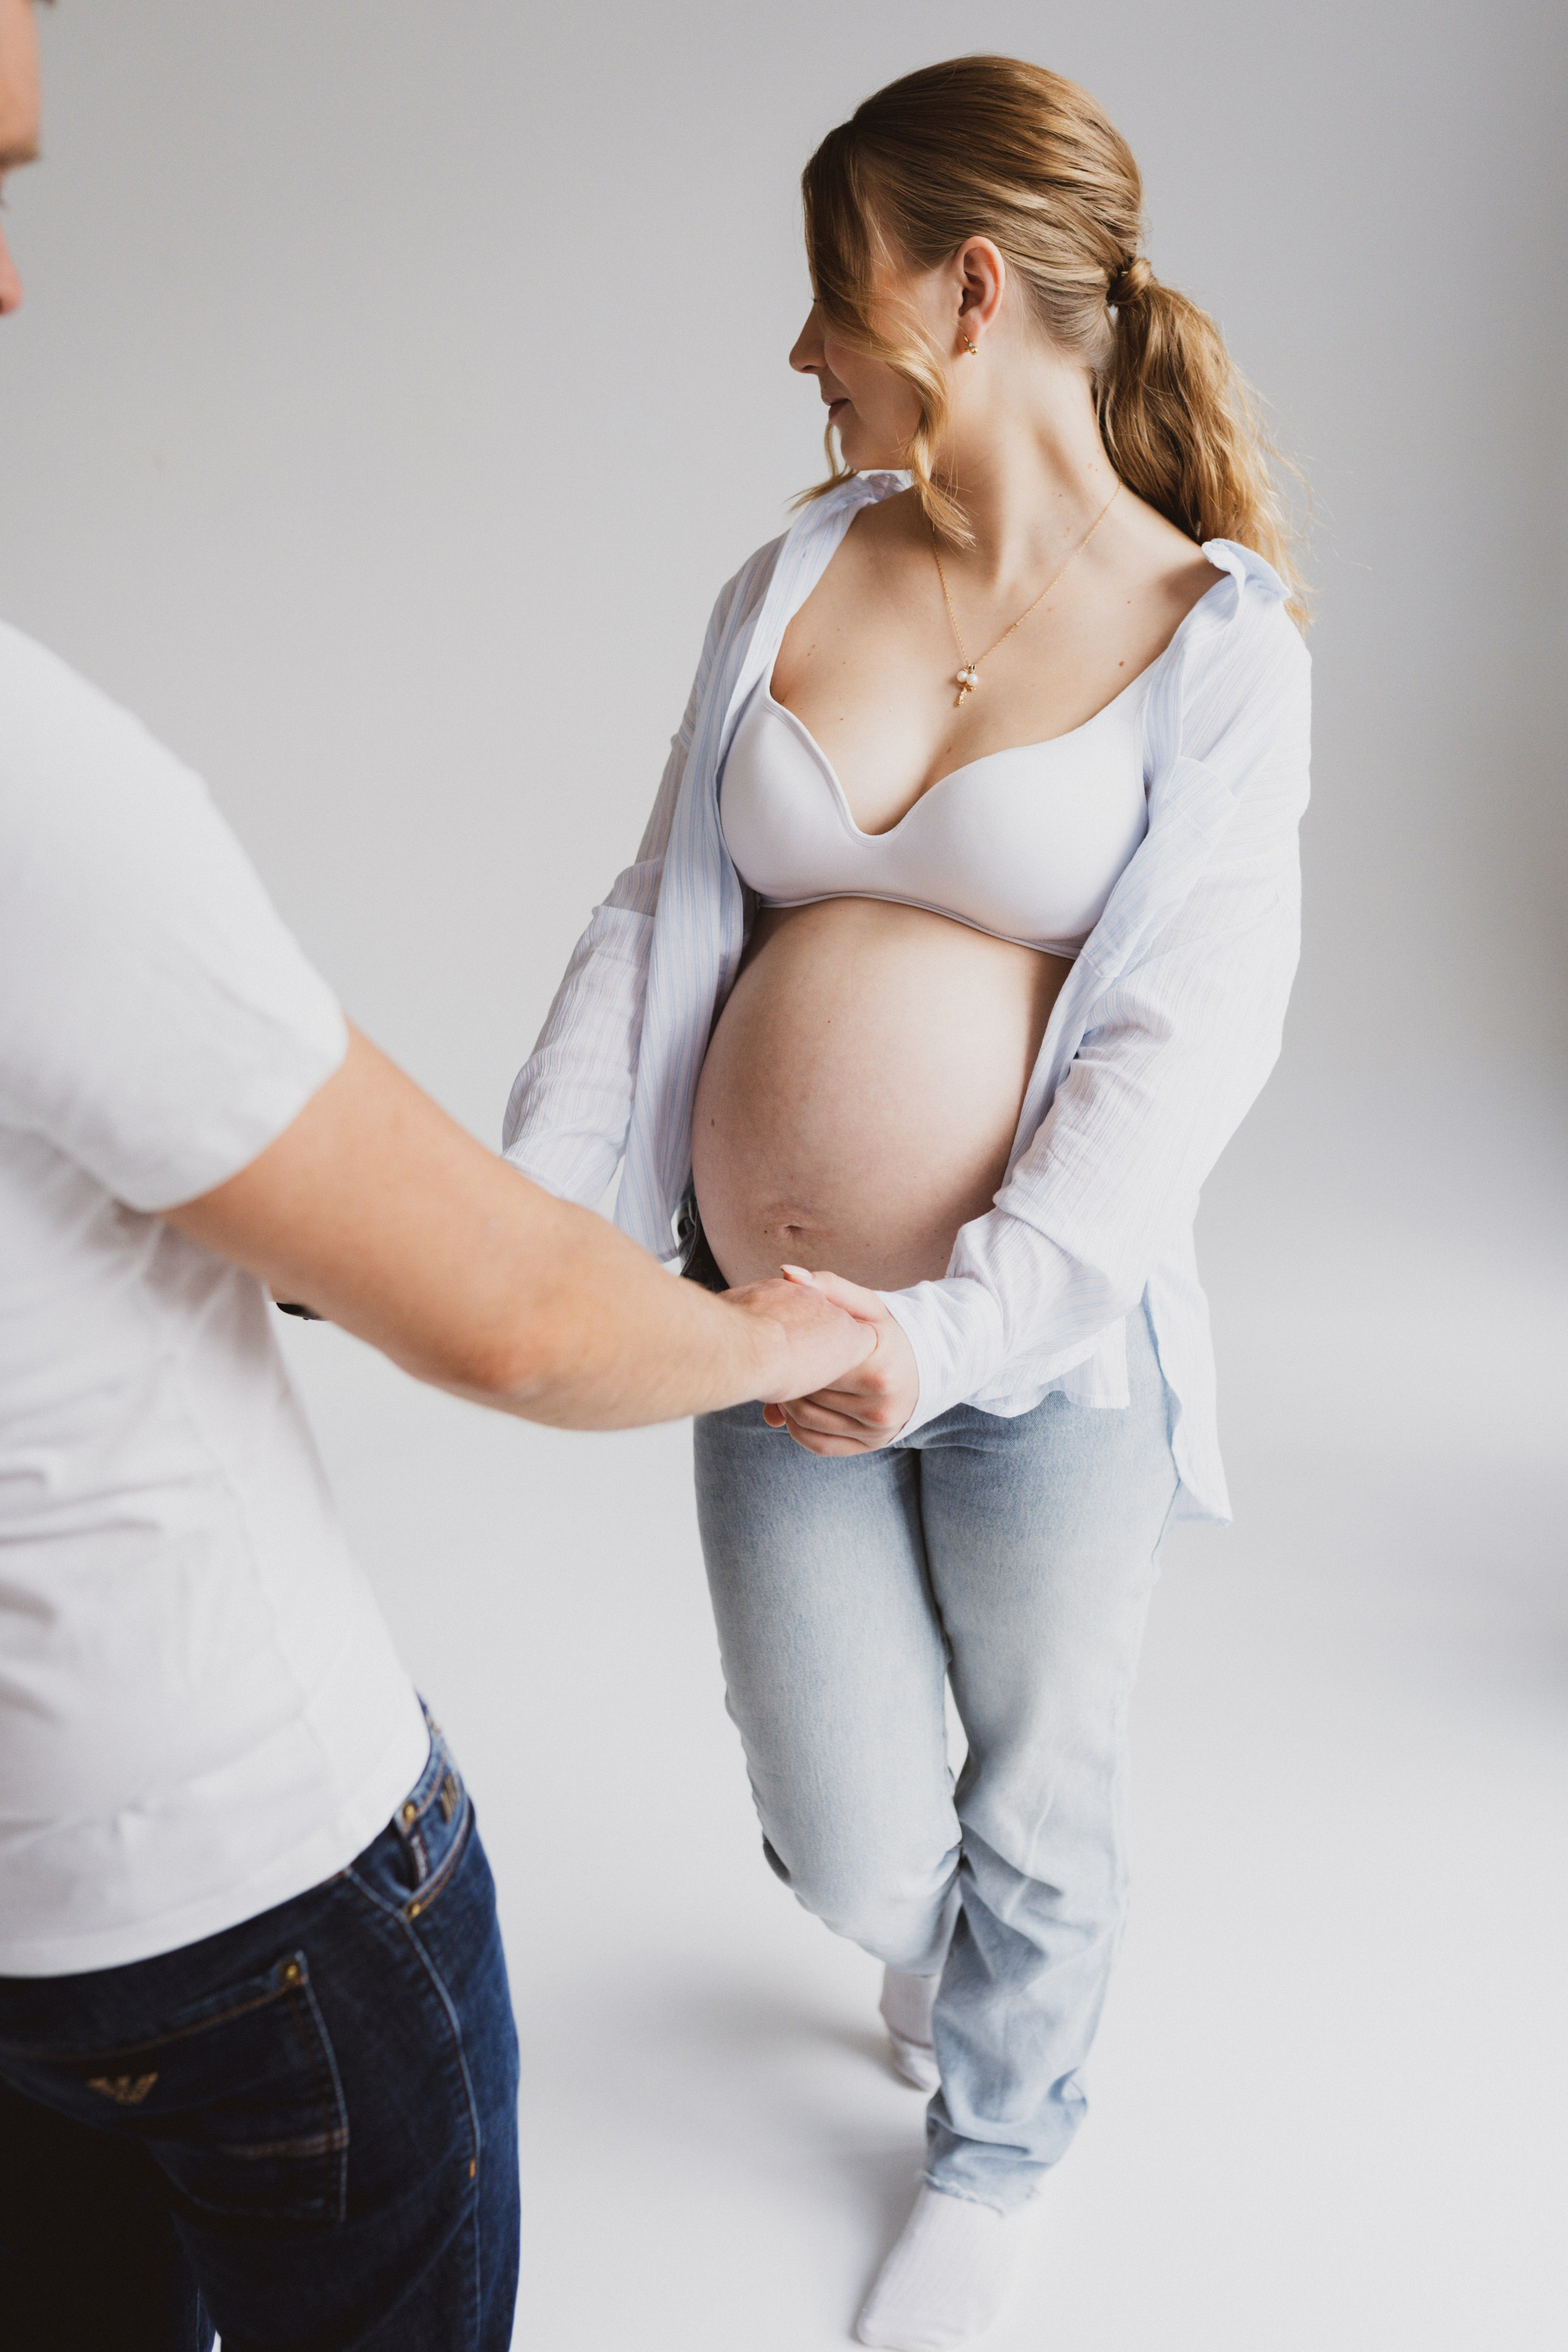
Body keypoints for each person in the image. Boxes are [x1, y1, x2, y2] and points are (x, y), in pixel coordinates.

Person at [0, 9, 875, 2349]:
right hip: (241, 1898)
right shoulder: (25, 782)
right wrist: (761, 1330)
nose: (13, 275)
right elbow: (500, 1310)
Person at [503, 53, 1312, 2352]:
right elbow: (650, 920)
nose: (799, 352)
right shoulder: (791, 576)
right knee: (859, 1838)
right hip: (757, 1334)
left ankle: (1005, 2144)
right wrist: (538, 1223)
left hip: (1037, 1356)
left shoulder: (1218, 654)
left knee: (1045, 1788)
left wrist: (938, 1337)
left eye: (826, 295)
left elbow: (1177, 1059)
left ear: (967, 293)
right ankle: (953, 1976)